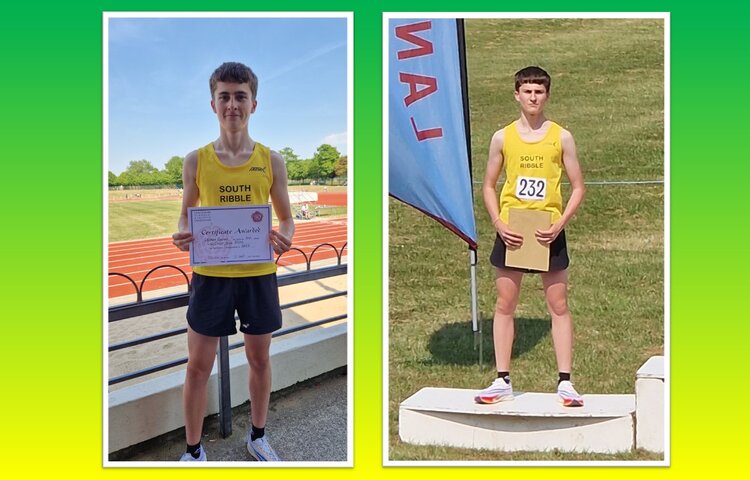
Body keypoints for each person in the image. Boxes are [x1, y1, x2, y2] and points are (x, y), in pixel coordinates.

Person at [171, 62, 294, 461]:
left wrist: (286, 237)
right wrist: (182, 235)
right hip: (211, 276)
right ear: (213, 104)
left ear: (253, 103)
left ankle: (257, 436)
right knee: (197, 367)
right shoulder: (196, 160)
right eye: (224, 96)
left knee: (259, 359)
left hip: (258, 274)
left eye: (240, 96)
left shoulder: (271, 160)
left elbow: (287, 218)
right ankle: (193, 451)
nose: (232, 104)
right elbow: (187, 214)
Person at [476, 66, 586, 407]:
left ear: (547, 95)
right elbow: (489, 185)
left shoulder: (561, 137)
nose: (533, 97)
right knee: (505, 304)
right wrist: (497, 222)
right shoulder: (502, 137)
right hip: (513, 230)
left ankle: (566, 382)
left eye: (539, 91)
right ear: (517, 95)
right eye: (527, 91)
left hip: (548, 229)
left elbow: (579, 187)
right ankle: (502, 379)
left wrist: (560, 224)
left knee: (559, 305)